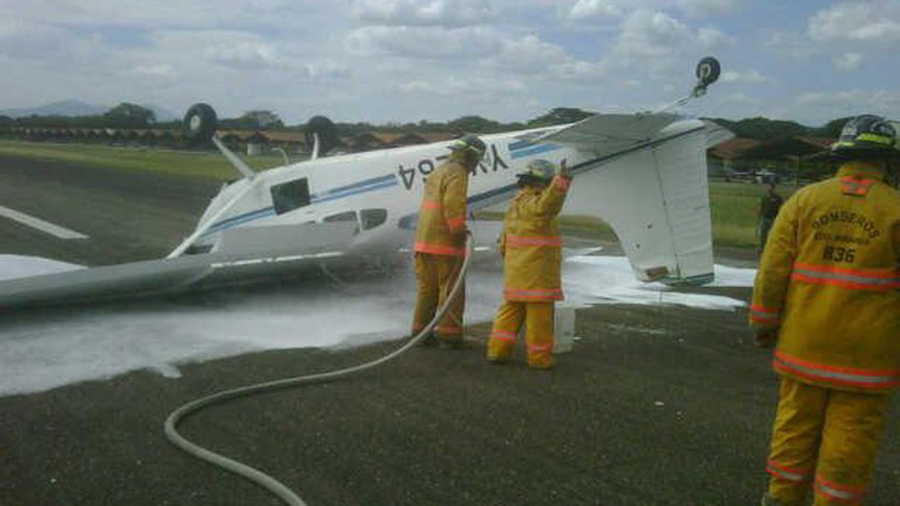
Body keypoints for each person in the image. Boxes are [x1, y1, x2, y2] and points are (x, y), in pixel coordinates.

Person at [751, 115, 900, 506]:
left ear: (842, 155)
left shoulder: (804, 201)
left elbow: (771, 273)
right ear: (886, 160)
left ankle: (781, 499)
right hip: (866, 364)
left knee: (792, 439)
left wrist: (763, 324)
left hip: (802, 351)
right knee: (848, 453)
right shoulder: (896, 209)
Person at [486, 158, 572, 369]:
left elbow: (505, 240)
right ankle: (539, 359)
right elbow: (548, 205)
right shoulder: (535, 204)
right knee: (539, 319)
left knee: (509, 314)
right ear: (542, 182)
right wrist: (562, 181)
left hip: (516, 272)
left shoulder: (515, 204)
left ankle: (497, 351)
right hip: (537, 274)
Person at [411, 134, 486, 347]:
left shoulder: (439, 170)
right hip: (444, 243)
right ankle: (450, 335)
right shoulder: (458, 173)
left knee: (428, 289)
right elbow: (453, 204)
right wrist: (459, 230)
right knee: (452, 290)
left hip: (423, 241)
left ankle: (420, 332)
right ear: (472, 157)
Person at [758, 181, 784, 255]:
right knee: (763, 235)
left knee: (774, 235)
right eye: (768, 187)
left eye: (771, 187)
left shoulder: (777, 198)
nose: (769, 189)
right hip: (765, 218)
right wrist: (760, 214)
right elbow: (761, 206)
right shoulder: (764, 197)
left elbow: (781, 207)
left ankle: (773, 249)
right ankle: (762, 249)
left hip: (773, 218)